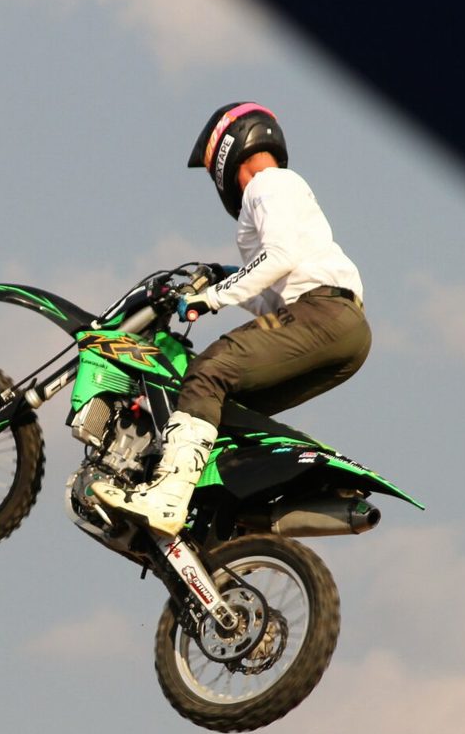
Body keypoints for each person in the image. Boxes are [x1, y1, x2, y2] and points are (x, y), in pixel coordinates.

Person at [92, 102, 371, 535]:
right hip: (341, 329)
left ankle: (167, 497)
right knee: (230, 415)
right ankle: (231, 524)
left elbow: (279, 256)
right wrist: (227, 279)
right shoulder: (285, 192)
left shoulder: (267, 183)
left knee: (208, 372)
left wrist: (212, 298)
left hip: (322, 313)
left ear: (226, 154)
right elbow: (275, 298)